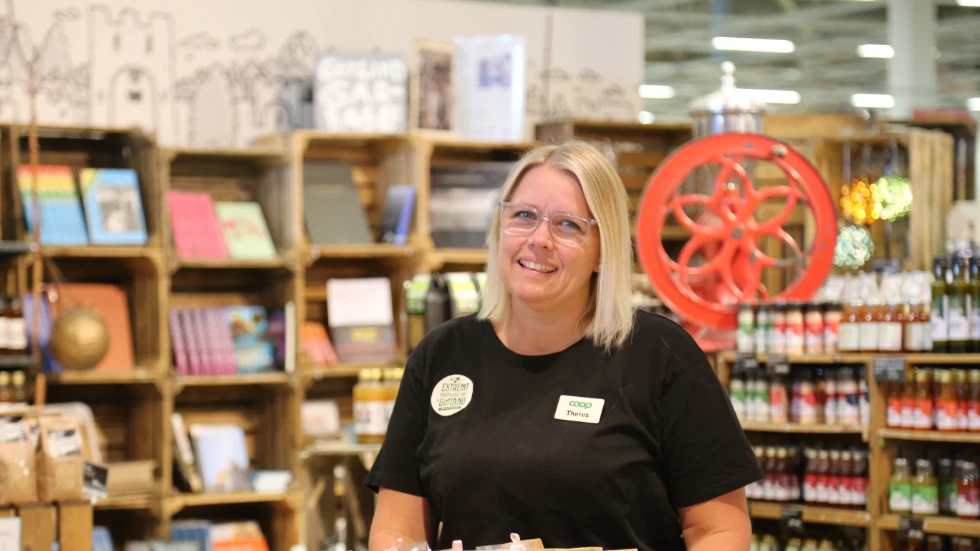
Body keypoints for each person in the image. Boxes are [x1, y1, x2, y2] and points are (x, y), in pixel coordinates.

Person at [364, 140, 764, 551]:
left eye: (569, 225)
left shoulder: (661, 355)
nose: (540, 239)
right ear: (499, 229)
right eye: (523, 215)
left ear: (602, 251)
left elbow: (719, 531)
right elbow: (397, 530)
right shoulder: (441, 355)